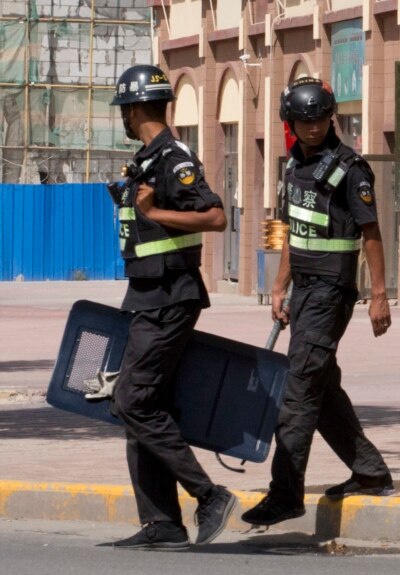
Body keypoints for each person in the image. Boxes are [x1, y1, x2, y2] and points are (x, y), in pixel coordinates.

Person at [241, 78, 395, 527]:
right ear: (291, 123)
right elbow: (293, 232)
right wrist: (279, 286)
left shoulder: (350, 169)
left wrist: (379, 296)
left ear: (332, 118)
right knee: (321, 390)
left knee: (298, 391)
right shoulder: (293, 169)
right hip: (304, 290)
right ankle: (369, 472)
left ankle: (285, 494)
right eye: (303, 121)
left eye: (320, 119)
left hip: (332, 293)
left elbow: (371, 234)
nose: (312, 128)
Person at [107, 64, 236, 548]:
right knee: (139, 405)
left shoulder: (173, 156)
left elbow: (216, 216)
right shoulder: (145, 159)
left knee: (132, 400)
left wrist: (153, 212)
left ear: (136, 108)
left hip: (171, 294)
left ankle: (209, 495)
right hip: (148, 294)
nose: (123, 117)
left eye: (124, 109)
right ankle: (161, 522)